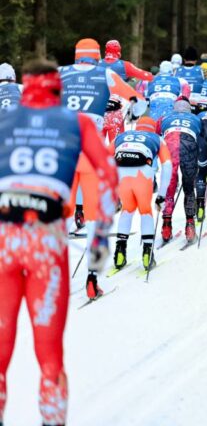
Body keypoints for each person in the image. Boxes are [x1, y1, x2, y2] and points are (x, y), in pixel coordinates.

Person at [0, 59, 117, 426]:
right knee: (49, 357)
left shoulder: (3, 120)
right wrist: (98, 250)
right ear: (57, 88)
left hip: (3, 237)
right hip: (47, 242)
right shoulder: (77, 121)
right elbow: (109, 178)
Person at [59, 39, 145, 260]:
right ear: (97, 56)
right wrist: (135, 114)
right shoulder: (106, 74)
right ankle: (92, 277)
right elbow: (140, 102)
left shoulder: (60, 72)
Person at [110, 117, 171, 270]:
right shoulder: (157, 138)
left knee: (127, 209)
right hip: (142, 173)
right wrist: (161, 195)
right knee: (145, 211)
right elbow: (167, 165)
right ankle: (147, 254)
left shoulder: (121, 136)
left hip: (121, 172)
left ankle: (120, 252)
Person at [158, 97, 202, 243]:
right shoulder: (195, 118)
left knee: (169, 188)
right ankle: (190, 226)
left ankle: (166, 226)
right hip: (188, 145)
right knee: (189, 188)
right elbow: (202, 137)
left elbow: (157, 134)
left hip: (169, 146)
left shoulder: (165, 117)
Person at [176, 47, 207, 113]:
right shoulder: (202, 70)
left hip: (180, 104)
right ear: (196, 60)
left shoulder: (176, 71)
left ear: (184, 59)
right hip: (196, 104)